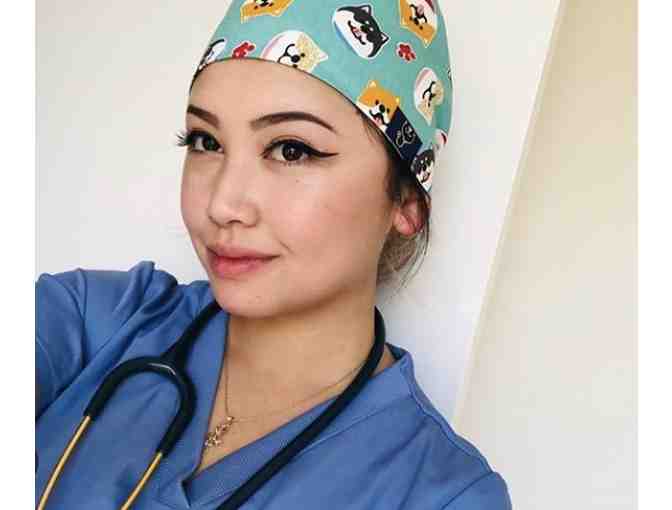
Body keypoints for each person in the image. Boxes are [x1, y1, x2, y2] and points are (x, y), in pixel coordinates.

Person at [36, 1, 511, 508]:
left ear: (407, 202)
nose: (222, 204)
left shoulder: (444, 496)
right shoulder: (94, 321)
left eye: (291, 150)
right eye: (205, 141)